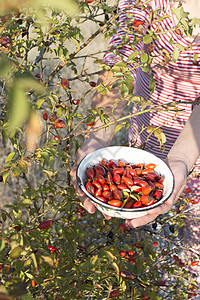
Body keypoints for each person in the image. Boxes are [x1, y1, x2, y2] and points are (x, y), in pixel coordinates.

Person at [71, 0, 200, 292]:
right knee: (160, 253)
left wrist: (181, 157)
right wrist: (97, 136)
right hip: (146, 150)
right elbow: (121, 60)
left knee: (193, 266)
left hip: (193, 151)